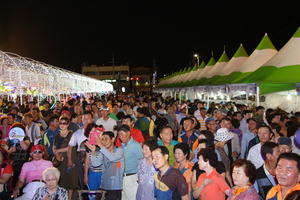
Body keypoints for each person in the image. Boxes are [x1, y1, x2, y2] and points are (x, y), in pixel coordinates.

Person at [67, 111, 93, 190]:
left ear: (92, 119)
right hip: (81, 158)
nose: (86, 120)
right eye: (84, 119)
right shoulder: (77, 133)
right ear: (81, 120)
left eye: (88, 118)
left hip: (94, 158)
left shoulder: (97, 131)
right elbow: (70, 146)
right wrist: (69, 160)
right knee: (83, 180)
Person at [53, 117, 78, 200]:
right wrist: (57, 155)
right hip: (59, 160)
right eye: (61, 123)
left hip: (69, 158)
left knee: (71, 177)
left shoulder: (71, 135)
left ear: (68, 125)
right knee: (61, 178)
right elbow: (54, 147)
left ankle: (70, 197)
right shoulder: (57, 135)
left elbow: (70, 147)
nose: (62, 125)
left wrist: (58, 151)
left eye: (64, 123)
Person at [118, 124, 143, 200]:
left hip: (132, 177)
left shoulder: (135, 145)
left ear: (128, 133)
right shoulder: (122, 146)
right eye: (119, 135)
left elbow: (141, 161)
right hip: (123, 177)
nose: (120, 137)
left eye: (122, 134)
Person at [6, 123, 31, 188]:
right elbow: (5, 153)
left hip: (23, 164)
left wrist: (20, 137)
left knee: (22, 182)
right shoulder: (9, 140)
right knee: (13, 183)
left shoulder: (26, 138)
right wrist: (11, 150)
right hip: (13, 164)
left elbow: (25, 147)